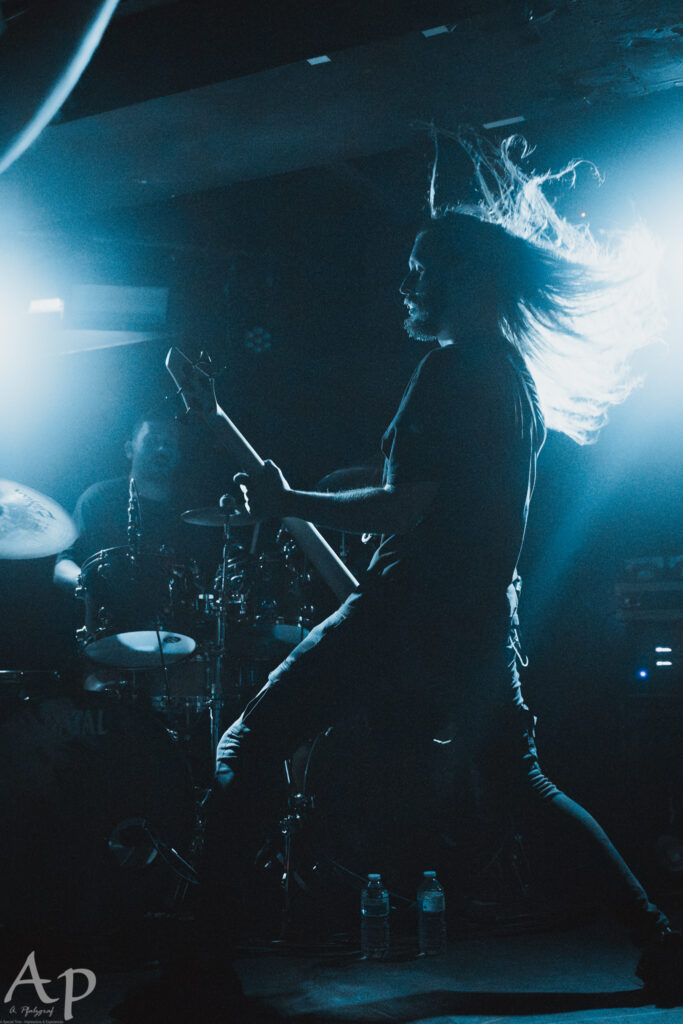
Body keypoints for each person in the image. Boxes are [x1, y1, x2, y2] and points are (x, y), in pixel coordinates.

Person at [201, 134, 682, 1004]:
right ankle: (661, 939)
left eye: (423, 266)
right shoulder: (512, 377)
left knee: (251, 743)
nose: (407, 280)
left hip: (406, 612)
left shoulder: (452, 371)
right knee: (518, 781)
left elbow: (404, 508)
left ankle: (195, 970)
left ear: (466, 276)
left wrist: (288, 504)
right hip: (473, 623)